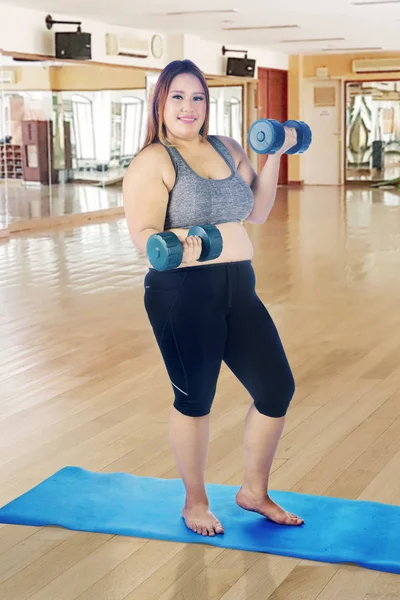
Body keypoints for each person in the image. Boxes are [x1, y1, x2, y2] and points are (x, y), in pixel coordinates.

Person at [123, 59, 303, 538]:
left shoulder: (226, 147)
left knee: (275, 389)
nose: (188, 107)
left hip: (238, 288)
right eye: (177, 97)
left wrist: (274, 154)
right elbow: (143, 235)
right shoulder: (154, 160)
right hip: (182, 292)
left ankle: (253, 492)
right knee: (195, 400)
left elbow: (258, 211)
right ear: (160, 102)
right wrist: (184, 246)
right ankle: (195, 501)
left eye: (197, 97)